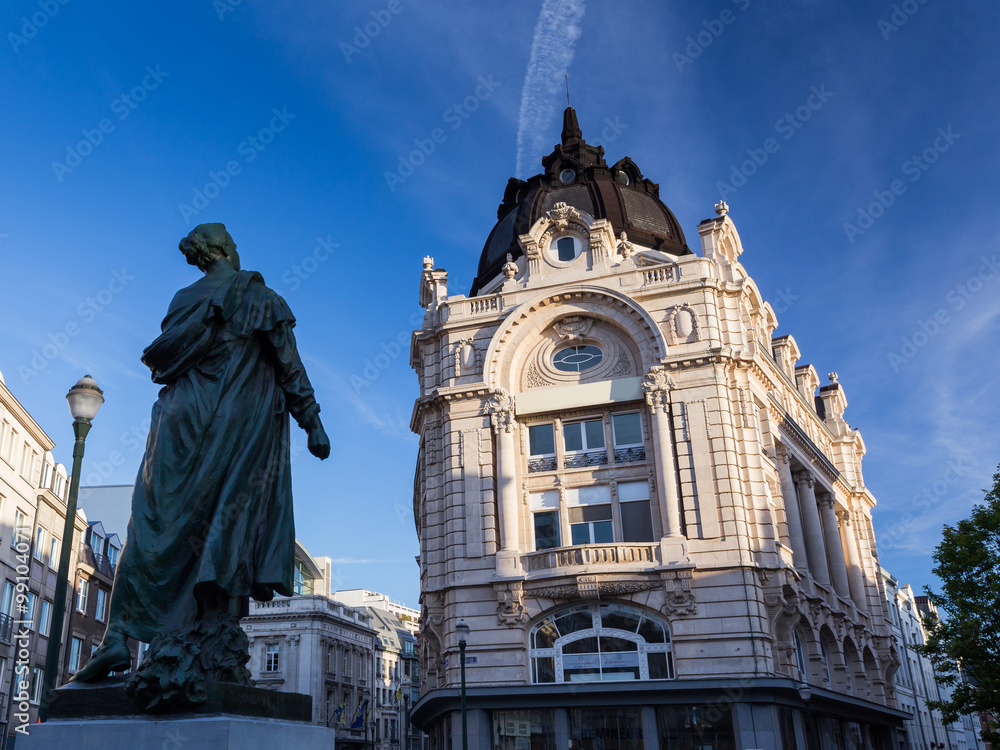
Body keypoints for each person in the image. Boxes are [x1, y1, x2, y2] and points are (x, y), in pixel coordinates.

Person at [74, 223, 329, 681]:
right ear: (228, 249)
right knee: (224, 523)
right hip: (232, 418)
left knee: (154, 526)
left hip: (177, 421)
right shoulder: (258, 297)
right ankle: (211, 635)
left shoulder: (182, 300)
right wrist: (312, 423)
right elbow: (290, 366)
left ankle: (118, 637)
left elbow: (163, 359)